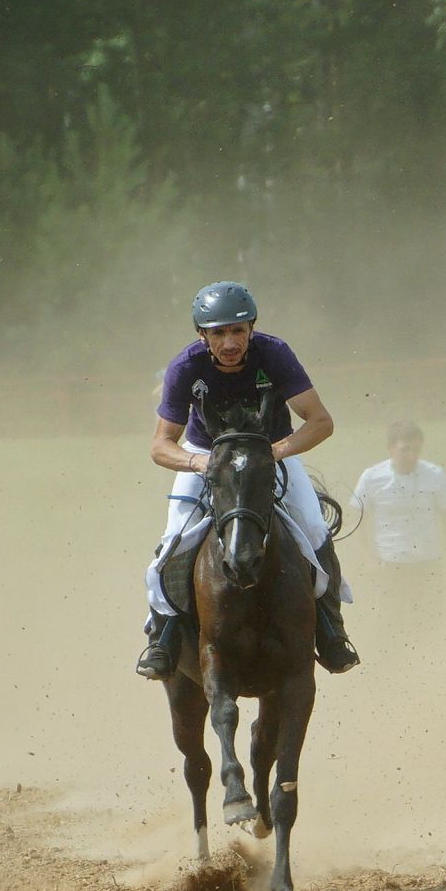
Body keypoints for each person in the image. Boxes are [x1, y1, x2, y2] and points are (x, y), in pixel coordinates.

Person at [136, 282, 359, 678]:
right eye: (218, 332)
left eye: (238, 330)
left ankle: (331, 631)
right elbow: (160, 445)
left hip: (271, 452)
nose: (229, 341)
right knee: (173, 541)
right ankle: (163, 637)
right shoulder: (186, 367)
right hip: (206, 456)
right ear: (202, 335)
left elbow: (321, 422)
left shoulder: (274, 354)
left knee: (313, 529)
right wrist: (198, 463)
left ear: (251, 329)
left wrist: (274, 453)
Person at [351, 420, 446, 600]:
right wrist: (367, 559)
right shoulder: (372, 477)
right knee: (391, 620)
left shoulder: (435, 475)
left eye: (416, 449)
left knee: (431, 620)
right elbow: (356, 523)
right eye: (405, 449)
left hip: (428, 563)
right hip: (390, 564)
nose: (412, 456)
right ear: (391, 448)